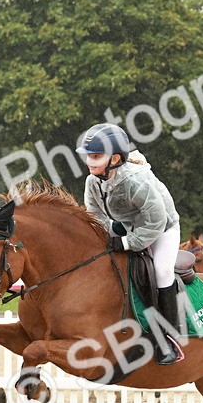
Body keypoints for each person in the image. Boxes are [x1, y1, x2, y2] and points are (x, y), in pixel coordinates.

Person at [79, 123, 184, 365]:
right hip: (129, 227)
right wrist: (111, 232)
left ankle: (168, 339)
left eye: (96, 156)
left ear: (115, 158)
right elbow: (94, 215)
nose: (90, 162)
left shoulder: (135, 182)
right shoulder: (93, 182)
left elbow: (156, 221)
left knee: (162, 271)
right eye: (89, 156)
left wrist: (127, 243)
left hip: (162, 229)